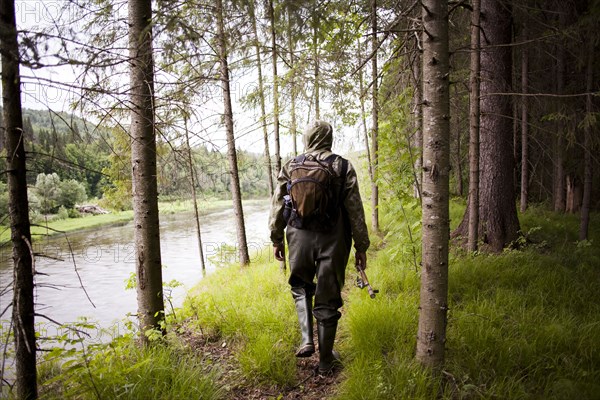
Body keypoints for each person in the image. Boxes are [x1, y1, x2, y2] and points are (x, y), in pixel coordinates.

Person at [268, 120, 370, 374]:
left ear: (307, 138)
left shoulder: (291, 165)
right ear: (329, 138)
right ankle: (326, 361)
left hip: (298, 236)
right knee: (328, 297)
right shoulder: (342, 165)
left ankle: (306, 339)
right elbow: (354, 208)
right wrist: (361, 245)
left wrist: (276, 238)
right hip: (333, 240)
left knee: (300, 285)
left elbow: (278, 204)